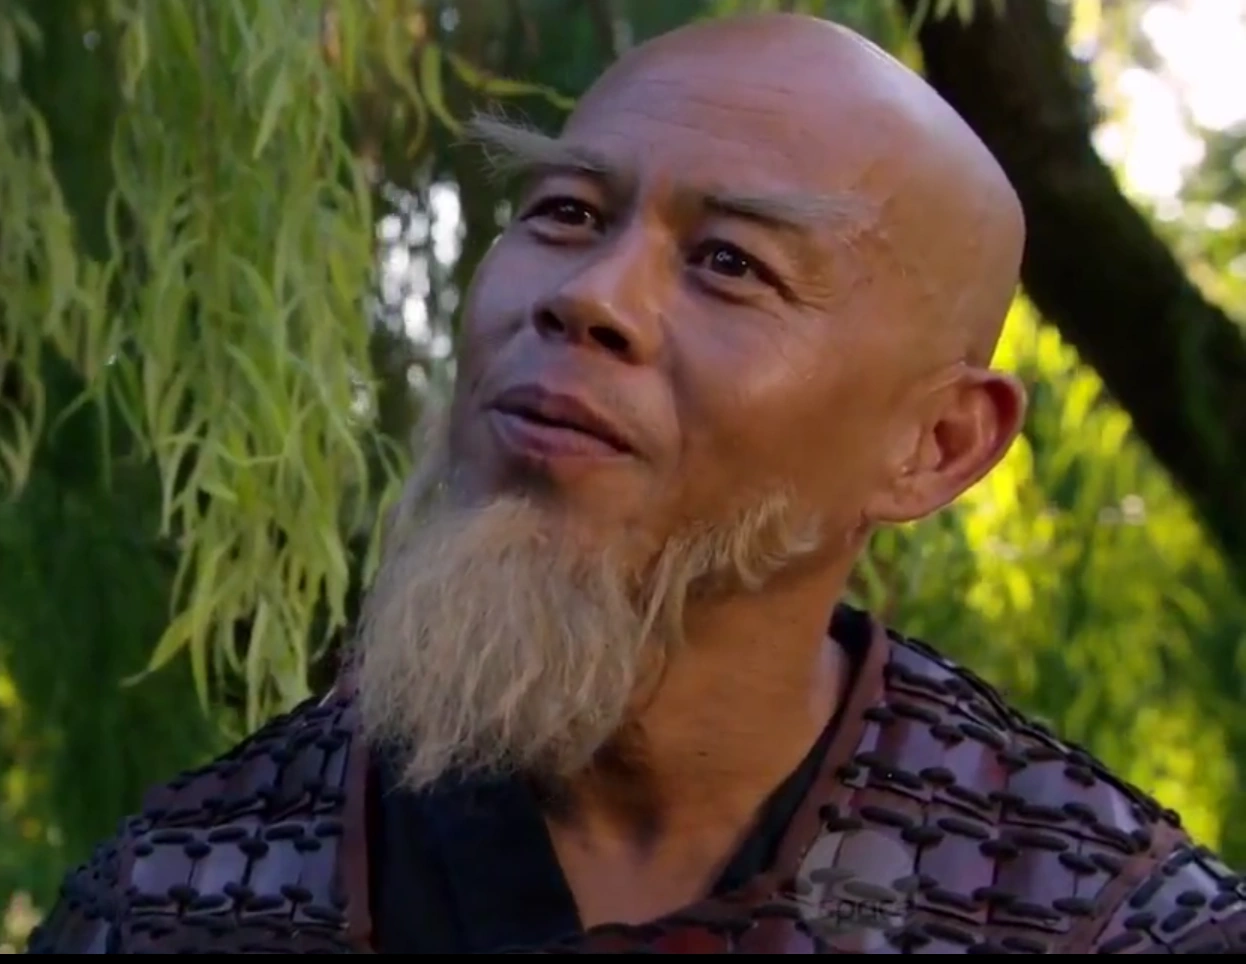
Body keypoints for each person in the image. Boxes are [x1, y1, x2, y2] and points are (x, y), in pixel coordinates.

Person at [27, 12, 1245, 956]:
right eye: (564, 212)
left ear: (934, 443)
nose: (588, 296)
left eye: (730, 263)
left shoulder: (1099, 917)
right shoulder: (184, 895)